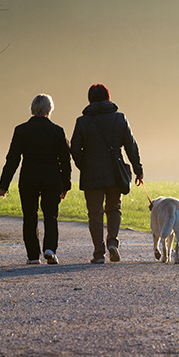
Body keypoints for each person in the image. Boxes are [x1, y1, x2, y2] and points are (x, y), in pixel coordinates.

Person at [70, 84, 144, 264]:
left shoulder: (83, 121)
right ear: (108, 98)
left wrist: (84, 165)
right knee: (114, 208)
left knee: (95, 213)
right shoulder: (120, 118)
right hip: (115, 171)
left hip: (91, 173)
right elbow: (130, 146)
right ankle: (113, 243)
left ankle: (98, 252)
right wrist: (138, 169)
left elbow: (74, 148)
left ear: (90, 99)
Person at [0, 94, 71, 265]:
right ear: (49, 109)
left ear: (32, 108)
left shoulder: (21, 130)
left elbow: (13, 159)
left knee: (29, 217)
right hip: (52, 179)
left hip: (29, 178)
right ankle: (50, 250)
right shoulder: (57, 131)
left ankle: (32, 255)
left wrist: (4, 185)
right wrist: (66, 184)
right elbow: (65, 160)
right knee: (51, 215)